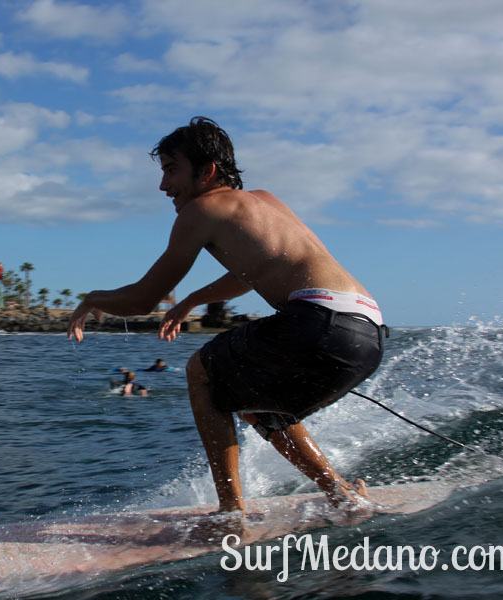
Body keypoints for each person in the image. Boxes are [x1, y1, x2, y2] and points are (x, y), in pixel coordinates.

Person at [67, 117, 386, 521]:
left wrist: (92, 298)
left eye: (170, 170)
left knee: (202, 370)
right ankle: (342, 495)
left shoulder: (202, 209)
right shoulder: (266, 201)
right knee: (258, 406)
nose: (163, 186)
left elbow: (144, 298)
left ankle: (229, 514)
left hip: (317, 322)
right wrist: (192, 301)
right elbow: (254, 271)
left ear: (207, 171)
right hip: (365, 332)